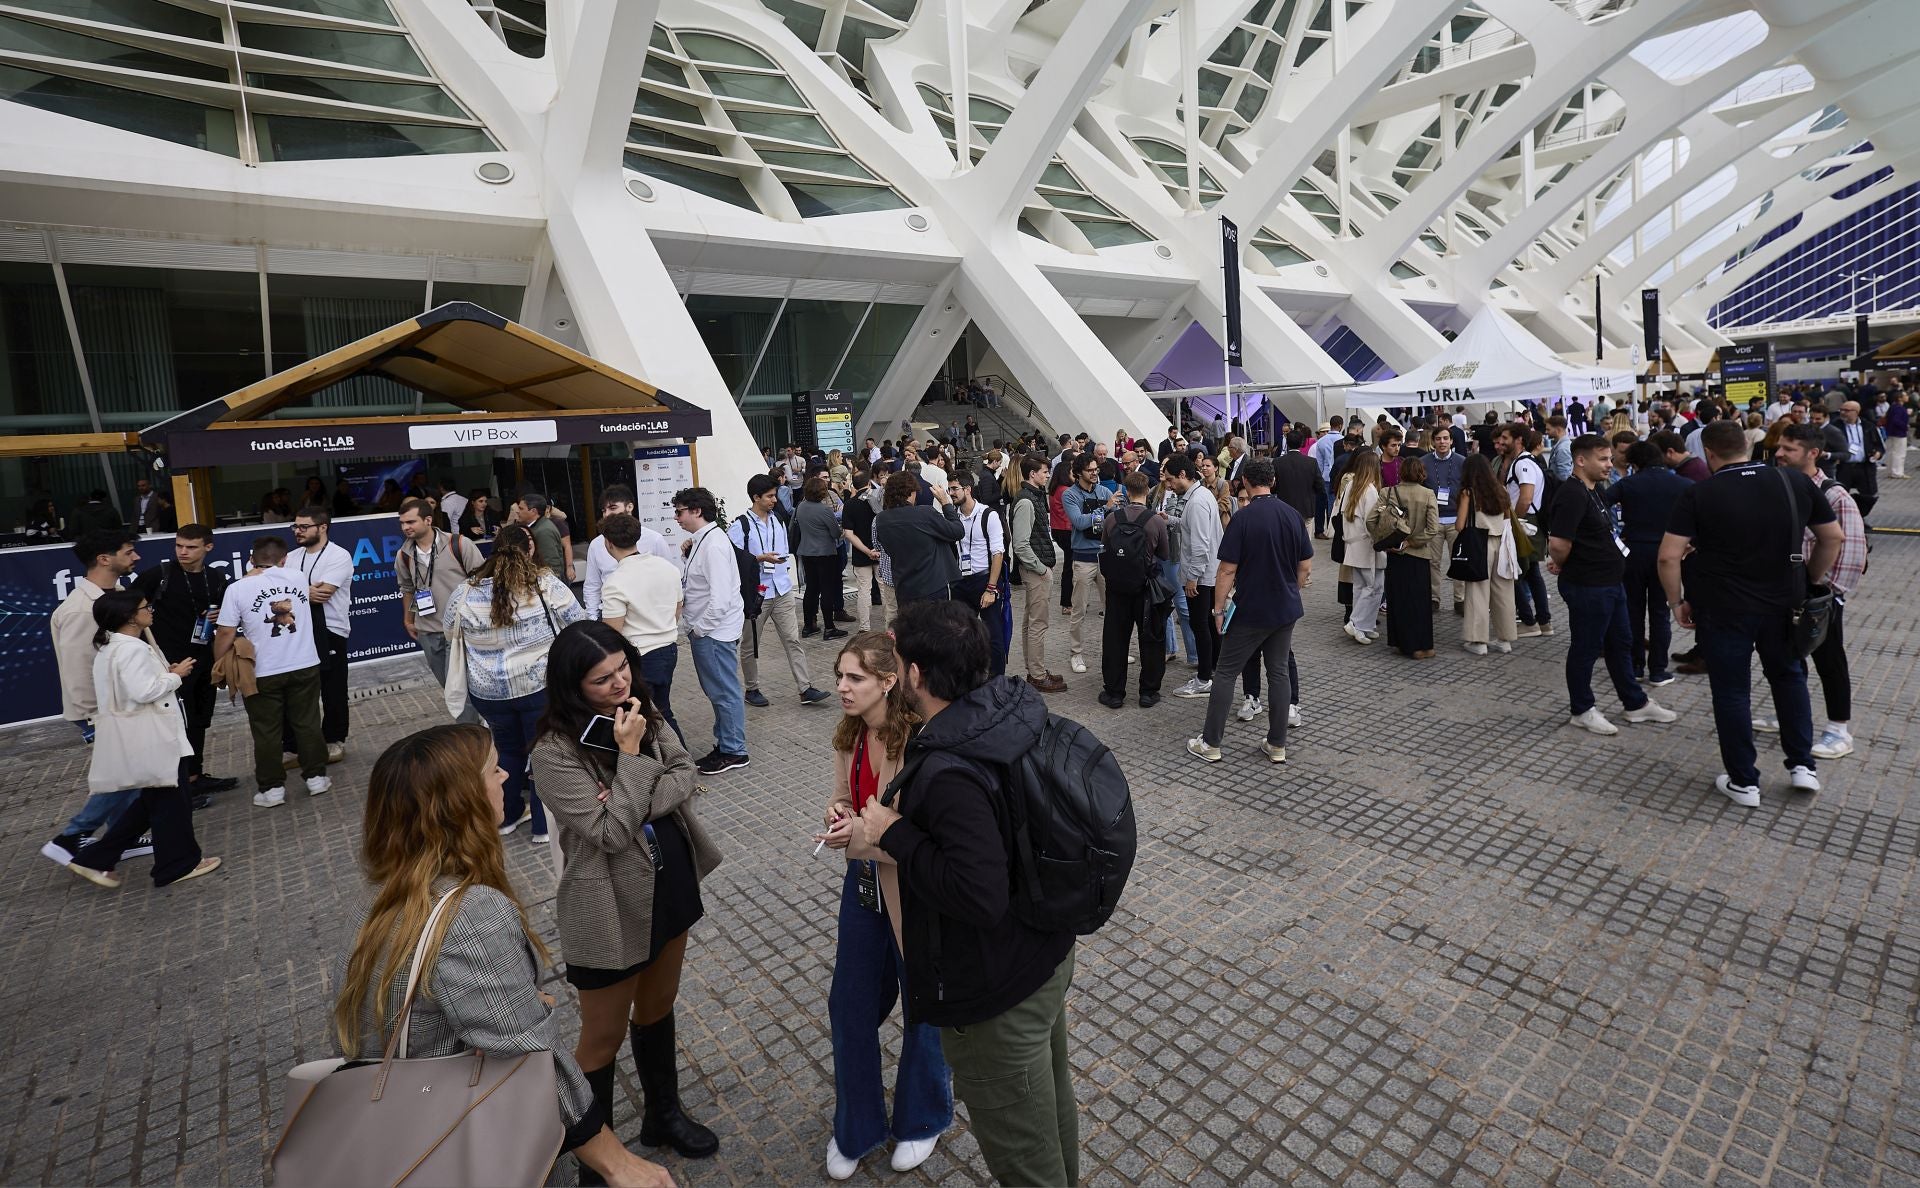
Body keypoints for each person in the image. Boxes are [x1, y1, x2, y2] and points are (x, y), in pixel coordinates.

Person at [333, 725, 674, 1188]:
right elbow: (528, 1056)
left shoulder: (376, 896)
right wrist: (617, 1163)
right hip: (464, 1139)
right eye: (493, 769)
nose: (506, 774)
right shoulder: (470, 912)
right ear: (461, 802)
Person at [844, 602, 1079, 1187]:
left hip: (996, 994)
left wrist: (892, 832)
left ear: (916, 675)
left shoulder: (947, 765)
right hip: (1044, 953)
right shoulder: (1008, 709)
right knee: (1052, 1113)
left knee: (1026, 1156)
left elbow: (978, 896)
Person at [531, 623, 724, 1175]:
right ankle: (600, 1159)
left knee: (659, 1006)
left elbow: (685, 772)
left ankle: (663, 1114)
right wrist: (635, 756)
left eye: (622, 668)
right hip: (606, 903)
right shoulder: (553, 752)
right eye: (601, 679)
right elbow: (611, 836)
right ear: (572, 686)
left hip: (671, 880)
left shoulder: (642, 705)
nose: (619, 684)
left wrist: (624, 795)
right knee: (601, 1037)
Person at [814, 632, 952, 1180]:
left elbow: (920, 831)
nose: (843, 688)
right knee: (849, 1005)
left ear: (889, 682)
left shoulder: (918, 740)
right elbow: (845, 797)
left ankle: (924, 1118)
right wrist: (838, 814)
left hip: (913, 890)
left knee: (923, 1009)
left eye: (855, 678)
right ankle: (856, 1126)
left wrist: (859, 837)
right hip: (863, 885)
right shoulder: (849, 732)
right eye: (840, 677)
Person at [1660, 420, 1840, 806]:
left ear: (1709, 453)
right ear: (1746, 444)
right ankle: (1802, 765)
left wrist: (1677, 602)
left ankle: (1745, 782)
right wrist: (1809, 578)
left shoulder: (1699, 494)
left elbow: (1668, 556)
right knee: (1789, 678)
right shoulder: (1794, 482)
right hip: (1784, 603)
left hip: (1723, 608)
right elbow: (1832, 537)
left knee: (1731, 691)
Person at [61, 589, 222, 889]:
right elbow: (144, 691)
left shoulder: (111, 647)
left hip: (140, 739)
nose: (150, 611)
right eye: (145, 607)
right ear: (129, 616)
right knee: (172, 804)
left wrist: (166, 674)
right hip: (153, 738)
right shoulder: (131, 649)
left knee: (150, 805)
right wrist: (177, 676)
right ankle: (176, 864)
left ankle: (96, 858)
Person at [450, 523, 585, 840]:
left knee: (506, 752)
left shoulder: (466, 591)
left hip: (488, 691)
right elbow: (578, 623)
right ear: (531, 549)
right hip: (538, 687)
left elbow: (449, 631)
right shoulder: (545, 584)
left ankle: (507, 816)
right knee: (544, 753)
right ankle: (543, 826)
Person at [1546, 434, 1678, 736]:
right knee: (1586, 647)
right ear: (1581, 460)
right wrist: (1567, 564)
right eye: (1603, 459)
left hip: (1611, 582)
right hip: (1588, 585)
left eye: (1609, 458)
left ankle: (1635, 703)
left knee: (1621, 644)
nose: (1611, 463)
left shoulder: (1593, 490)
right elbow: (1558, 544)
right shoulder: (1572, 494)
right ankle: (1582, 709)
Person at [1187, 457, 1312, 764]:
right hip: (1284, 608)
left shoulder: (1243, 518)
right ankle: (1277, 743)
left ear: (1244, 482)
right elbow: (1305, 566)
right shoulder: (1292, 515)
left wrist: (1218, 609)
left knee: (1227, 672)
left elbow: (1226, 571)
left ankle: (1212, 743)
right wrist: (1290, 589)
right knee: (1279, 671)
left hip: (1250, 608)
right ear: (1273, 481)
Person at [42, 529, 146, 866]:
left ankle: (123, 835)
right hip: (103, 712)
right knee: (123, 777)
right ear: (105, 559)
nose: (136, 558)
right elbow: (77, 672)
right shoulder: (79, 611)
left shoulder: (116, 593)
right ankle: (73, 836)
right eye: (128, 552)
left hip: (125, 707)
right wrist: (92, 720)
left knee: (130, 775)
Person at [214, 535, 330, 809]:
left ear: (251, 559)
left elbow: (226, 632)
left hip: (261, 670)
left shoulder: (237, 588)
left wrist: (218, 664)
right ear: (284, 558)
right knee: (308, 722)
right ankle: (316, 778)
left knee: (266, 730)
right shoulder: (298, 577)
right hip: (304, 664)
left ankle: (272, 789)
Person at [1774, 425, 1867, 762]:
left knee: (1829, 660)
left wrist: (1823, 589)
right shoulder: (1781, 484)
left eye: (1789, 448)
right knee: (1790, 658)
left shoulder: (1833, 494)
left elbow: (1851, 547)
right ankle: (1794, 714)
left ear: (1812, 453)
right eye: (1780, 446)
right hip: (1786, 592)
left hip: (1819, 595)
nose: (1780, 453)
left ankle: (1839, 729)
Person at [131, 523, 237, 803]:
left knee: (199, 719)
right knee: (176, 723)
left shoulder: (216, 578)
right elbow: (127, 608)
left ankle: (194, 775)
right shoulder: (158, 576)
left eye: (191, 547)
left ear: (208, 548)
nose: (183, 552)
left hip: (203, 658)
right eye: (179, 546)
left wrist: (220, 617)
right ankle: (177, 785)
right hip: (168, 664)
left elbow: (229, 611)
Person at [731, 476, 829, 709]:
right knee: (750, 643)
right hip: (757, 593)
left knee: (792, 639)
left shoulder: (778, 521)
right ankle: (752, 688)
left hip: (782, 588)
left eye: (775, 495)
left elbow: (784, 550)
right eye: (770, 496)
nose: (774, 500)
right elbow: (733, 559)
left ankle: (805, 688)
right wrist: (760, 559)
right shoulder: (740, 525)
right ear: (756, 497)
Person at [671, 487, 750, 776]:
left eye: (679, 511)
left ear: (696, 511)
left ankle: (734, 750)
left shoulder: (714, 544)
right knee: (718, 691)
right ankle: (727, 743)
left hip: (714, 633)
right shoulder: (704, 541)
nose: (676, 517)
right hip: (710, 631)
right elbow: (701, 583)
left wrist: (699, 630)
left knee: (723, 692)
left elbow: (720, 599)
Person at [1603, 441, 1691, 687]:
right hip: (1667, 552)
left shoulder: (1628, 484)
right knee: (1661, 612)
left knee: (1633, 610)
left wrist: (1613, 536)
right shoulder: (1683, 484)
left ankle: (1635, 665)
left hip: (1634, 551)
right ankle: (1658, 669)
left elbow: (1601, 504)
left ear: (1635, 463)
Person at [394, 497, 485, 724]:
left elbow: (484, 582)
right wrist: (408, 619)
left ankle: (471, 737)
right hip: (428, 629)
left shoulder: (459, 544)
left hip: (460, 629)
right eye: (402, 523)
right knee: (450, 688)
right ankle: (477, 728)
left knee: (461, 687)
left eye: (411, 522)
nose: (405, 527)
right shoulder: (403, 555)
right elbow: (407, 589)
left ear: (427, 520)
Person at [1094, 472, 1169, 710]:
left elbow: (1105, 548)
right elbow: (1165, 554)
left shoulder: (1112, 519)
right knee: (1151, 638)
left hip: (1116, 589)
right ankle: (1148, 691)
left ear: (1126, 492)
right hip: (1146, 588)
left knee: (1115, 639)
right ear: (1147, 491)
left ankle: (1114, 692)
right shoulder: (1155, 521)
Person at [289, 505, 353, 764]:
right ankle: (298, 743)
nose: (298, 531)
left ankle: (334, 739)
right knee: (300, 690)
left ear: (322, 527)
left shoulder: (338, 556)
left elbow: (323, 593)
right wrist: (305, 592)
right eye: (295, 526)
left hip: (331, 629)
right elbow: (282, 596)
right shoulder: (292, 557)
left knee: (333, 688)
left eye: (304, 527)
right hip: (298, 631)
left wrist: (294, 593)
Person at [1006, 455, 1065, 693]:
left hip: (1035, 568)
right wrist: (1041, 569)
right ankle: (1038, 675)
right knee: (1037, 623)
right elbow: (1020, 544)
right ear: (1032, 474)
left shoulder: (1032, 497)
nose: (1048, 474)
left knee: (1032, 622)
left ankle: (1036, 671)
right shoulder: (1027, 501)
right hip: (1035, 570)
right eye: (1044, 471)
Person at [1166, 456, 1223, 700]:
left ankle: (1204, 679)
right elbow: (1192, 527)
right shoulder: (1198, 497)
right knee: (1208, 624)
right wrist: (1170, 520)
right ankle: (1213, 671)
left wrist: (1192, 578)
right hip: (1206, 573)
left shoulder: (1197, 501)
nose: (1168, 485)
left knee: (1201, 625)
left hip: (1201, 575)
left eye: (1170, 479)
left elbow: (1201, 544)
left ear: (1182, 475)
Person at [1061, 453, 1120, 676]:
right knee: (1079, 609)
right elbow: (1078, 521)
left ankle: (1116, 650)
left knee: (1113, 608)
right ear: (1078, 473)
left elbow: (1115, 520)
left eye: (1096, 469)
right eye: (1090, 470)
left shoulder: (1104, 491)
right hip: (1083, 559)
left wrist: (1108, 510)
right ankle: (1076, 653)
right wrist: (1105, 508)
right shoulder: (1070, 495)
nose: (1095, 473)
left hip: (1106, 556)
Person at [1454, 454, 1517, 655]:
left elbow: (1460, 525)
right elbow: (1508, 518)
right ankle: (1505, 639)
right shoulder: (1502, 491)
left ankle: (1478, 640)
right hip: (1502, 543)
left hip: (1479, 544)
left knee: (1478, 592)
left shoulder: (1468, 493)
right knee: (1504, 592)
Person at [583, 485, 677, 618]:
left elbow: (669, 580)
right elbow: (593, 585)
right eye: (604, 510)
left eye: (613, 508)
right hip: (610, 614)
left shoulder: (654, 539)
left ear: (629, 507)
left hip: (649, 615)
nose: (607, 514)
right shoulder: (596, 544)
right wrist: (592, 619)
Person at [873, 471, 963, 607]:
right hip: (932, 586)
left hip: (904, 588)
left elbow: (886, 548)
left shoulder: (881, 519)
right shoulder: (924, 513)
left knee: (911, 627)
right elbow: (957, 531)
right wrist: (946, 503)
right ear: (911, 492)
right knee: (937, 626)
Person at [1496, 423, 1553, 636]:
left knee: (1515, 573)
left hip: (1524, 522)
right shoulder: (1519, 462)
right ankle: (1544, 621)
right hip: (1527, 522)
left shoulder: (1523, 464)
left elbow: (1526, 498)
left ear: (1518, 439)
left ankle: (1529, 622)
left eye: (1504, 438)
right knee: (1531, 573)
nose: (1500, 442)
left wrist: (1514, 523)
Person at [1381, 457, 1438, 659]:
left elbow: (1373, 519)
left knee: (1398, 599)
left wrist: (1385, 541)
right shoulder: (1428, 494)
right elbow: (1433, 528)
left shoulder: (1387, 492)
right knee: (1419, 602)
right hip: (1419, 554)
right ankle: (1421, 646)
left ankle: (1399, 642)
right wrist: (1413, 542)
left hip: (1395, 554)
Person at [1336, 452, 1387, 645]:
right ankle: (1357, 623)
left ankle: (1364, 626)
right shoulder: (1370, 490)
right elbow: (1373, 522)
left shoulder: (1351, 485)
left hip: (1353, 543)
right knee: (1373, 586)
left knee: (1361, 586)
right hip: (1367, 545)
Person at [794, 476, 849, 641]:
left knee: (811, 589)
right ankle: (829, 627)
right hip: (825, 552)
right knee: (827, 589)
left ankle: (808, 625)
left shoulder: (801, 506)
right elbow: (835, 533)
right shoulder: (824, 510)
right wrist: (842, 531)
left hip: (807, 552)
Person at [1423, 426, 1466, 614]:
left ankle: (1461, 599)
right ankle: (1433, 598)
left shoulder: (1462, 462)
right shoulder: (1423, 462)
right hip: (1433, 520)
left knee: (1459, 560)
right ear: (1432, 441)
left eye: (1446, 438)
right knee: (1433, 562)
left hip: (1457, 520)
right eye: (1438, 439)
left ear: (1451, 441)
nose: (1442, 442)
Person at [840, 470, 881, 632]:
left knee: (864, 591)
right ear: (869, 483)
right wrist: (875, 550)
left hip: (860, 554)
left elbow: (848, 533)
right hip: (881, 552)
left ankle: (864, 627)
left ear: (854, 486)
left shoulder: (849, 504)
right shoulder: (879, 500)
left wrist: (866, 551)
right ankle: (890, 626)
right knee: (885, 590)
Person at [1832, 400, 1883, 517]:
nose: (1843, 413)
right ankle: (1843, 520)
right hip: (1843, 467)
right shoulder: (1835, 426)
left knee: (1870, 496)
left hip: (1864, 466)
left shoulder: (1868, 426)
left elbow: (1879, 445)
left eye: (1847, 410)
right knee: (1840, 496)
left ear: (1856, 412)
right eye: (1842, 410)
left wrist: (1878, 454)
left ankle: (1859, 517)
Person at [516, 492, 574, 581]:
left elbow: (551, 565)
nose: (517, 511)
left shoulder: (544, 530)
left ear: (533, 511)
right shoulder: (536, 526)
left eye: (521, 508)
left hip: (547, 582)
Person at [1308, 416, 1344, 538]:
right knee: (1334, 504)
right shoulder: (1343, 440)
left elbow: (1319, 463)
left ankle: (1319, 530)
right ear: (1340, 426)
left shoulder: (1321, 441)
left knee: (1321, 503)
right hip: (1339, 476)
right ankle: (1332, 529)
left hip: (1324, 476)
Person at [1884, 389, 1909, 479]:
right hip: (1899, 433)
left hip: (1891, 432)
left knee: (1892, 452)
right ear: (1900, 398)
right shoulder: (1900, 408)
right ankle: (1897, 472)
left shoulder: (1893, 407)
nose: (1907, 397)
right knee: (1899, 453)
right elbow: (1896, 420)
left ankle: (1891, 471)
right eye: (1905, 395)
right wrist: (1905, 426)